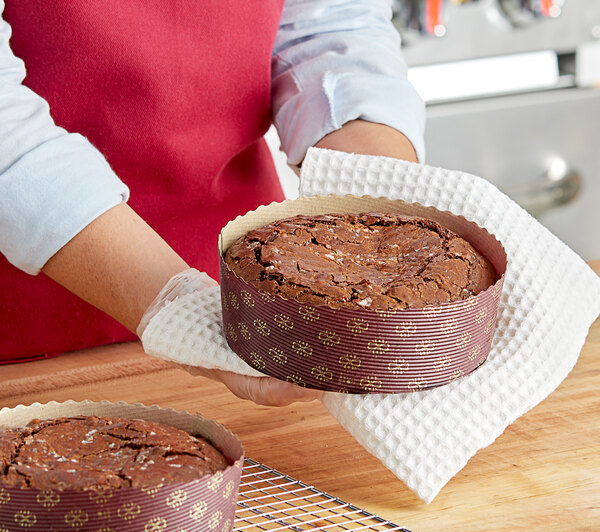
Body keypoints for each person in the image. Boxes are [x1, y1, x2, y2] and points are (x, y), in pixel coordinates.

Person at [0, 0, 424, 405]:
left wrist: (386, 219)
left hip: (247, 286)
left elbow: (327, 26)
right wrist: (182, 311)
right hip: (27, 326)